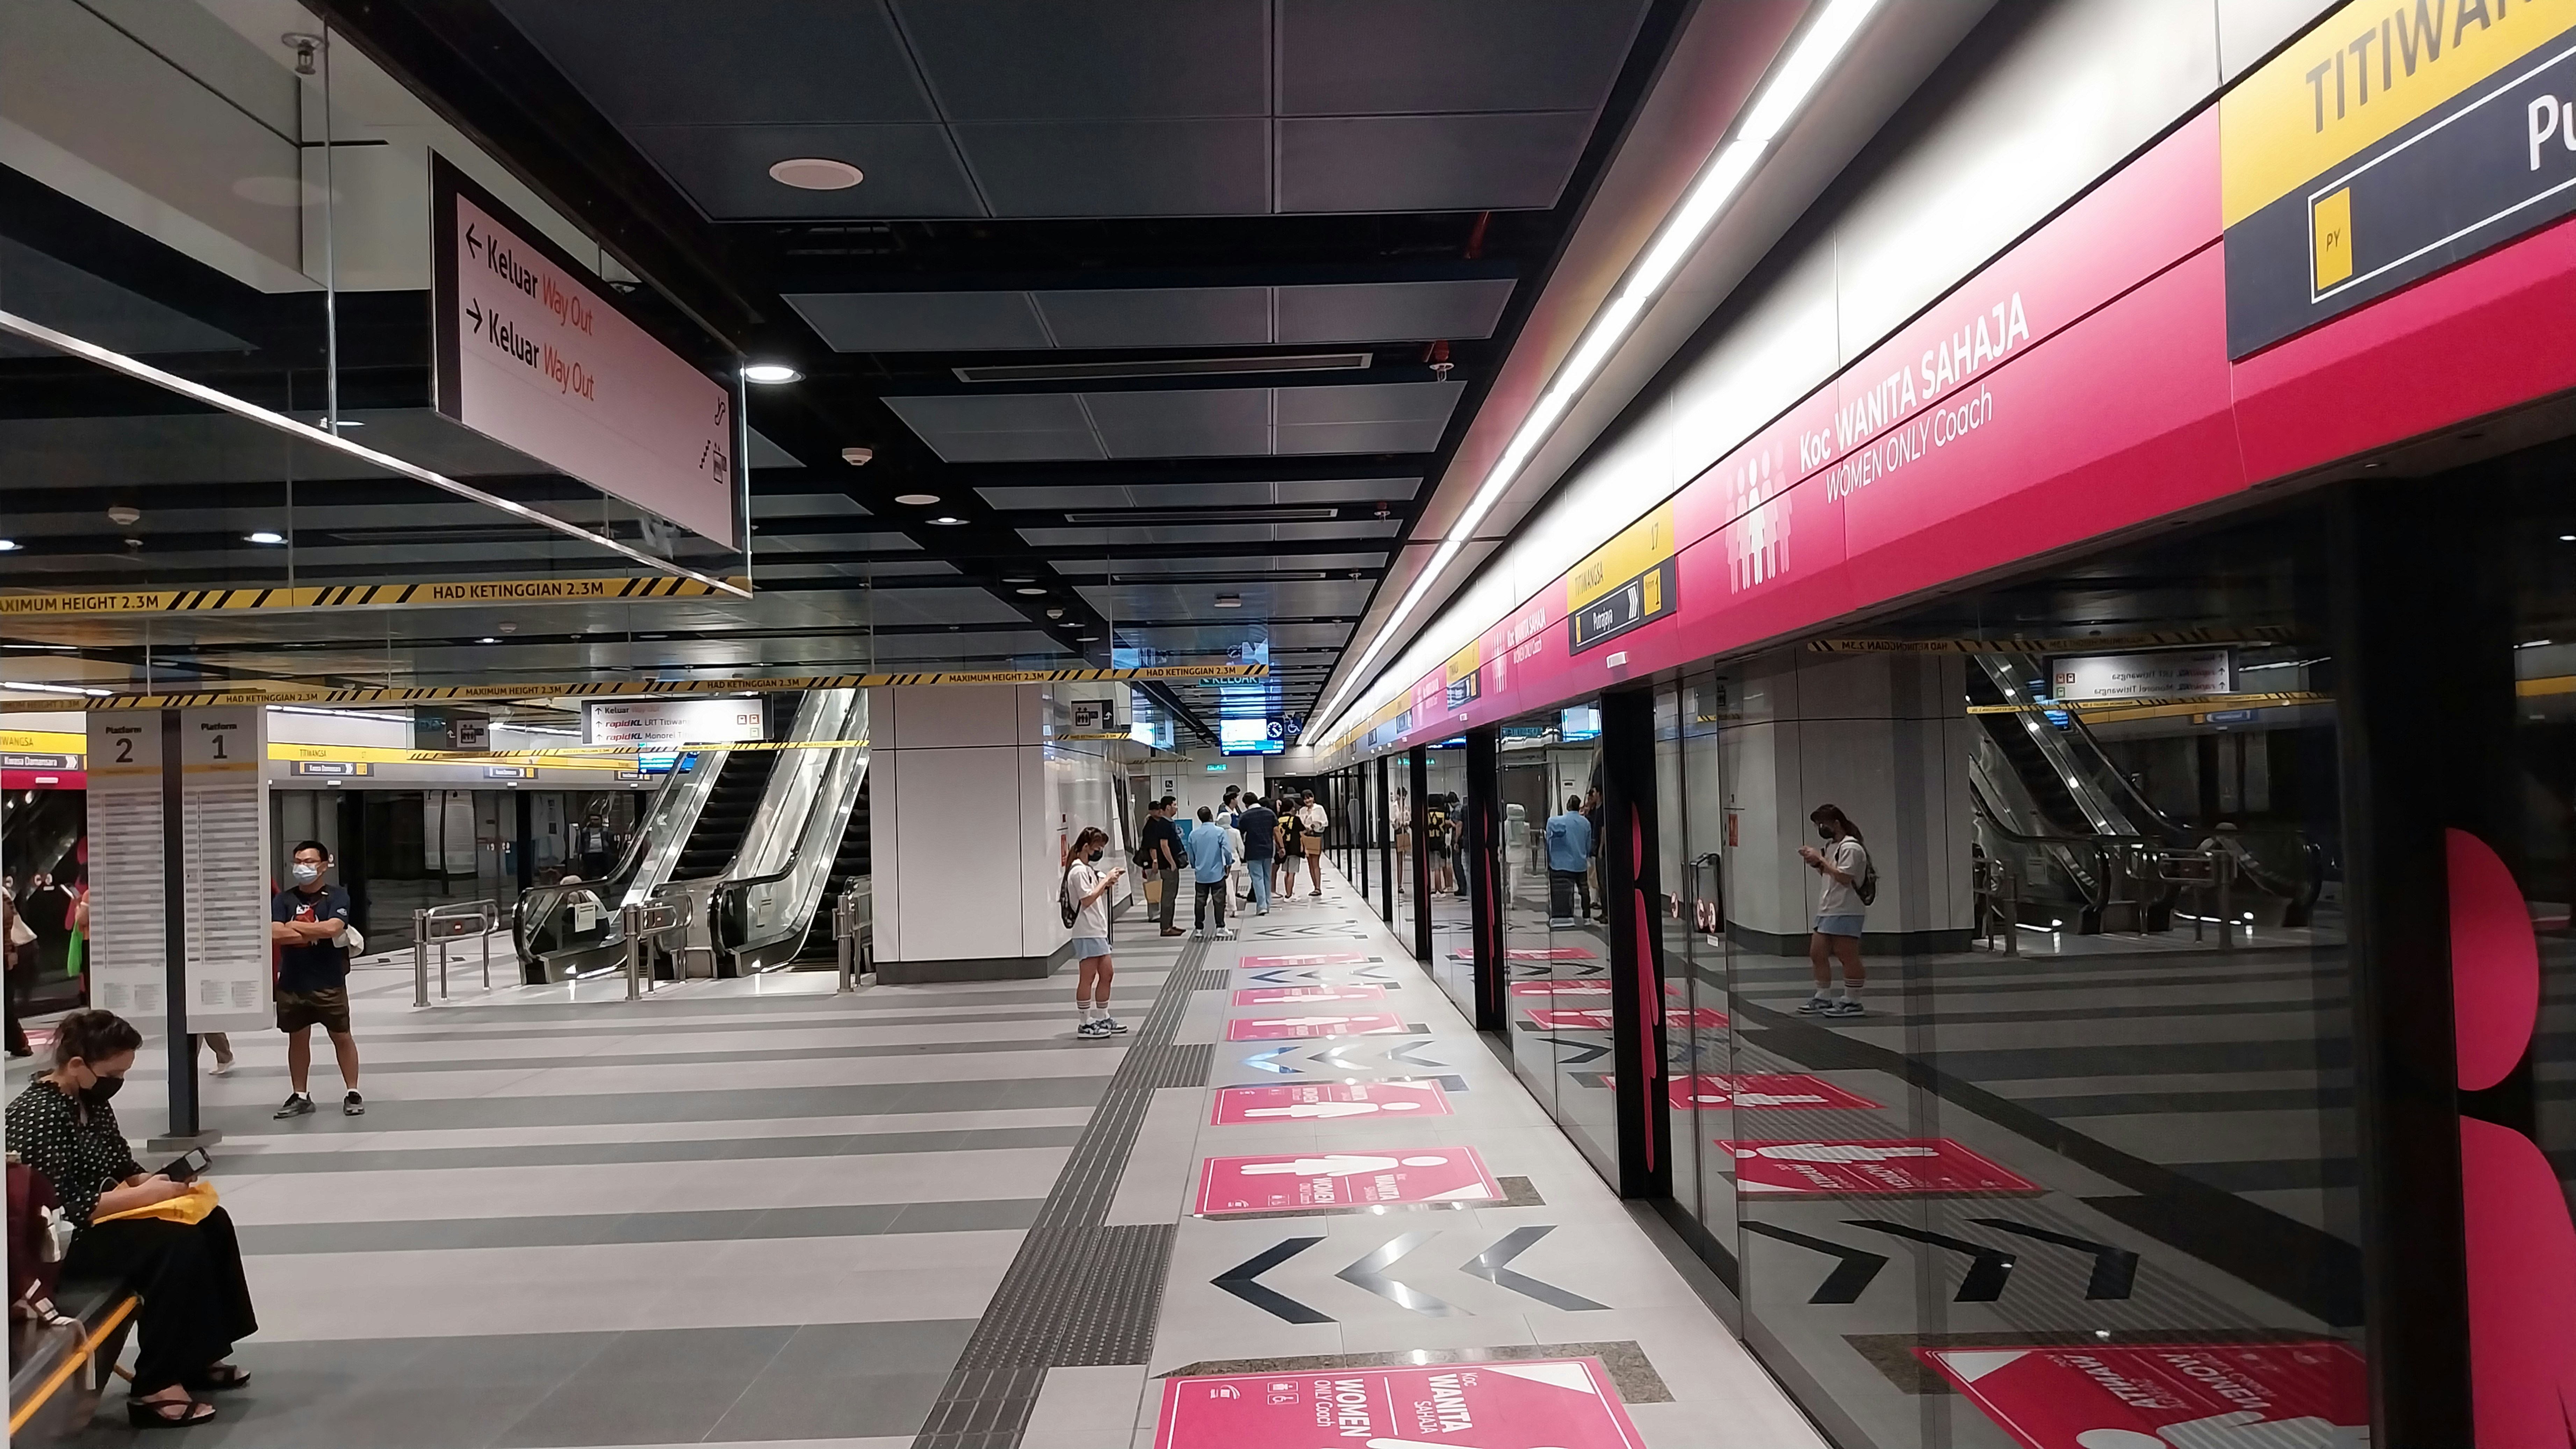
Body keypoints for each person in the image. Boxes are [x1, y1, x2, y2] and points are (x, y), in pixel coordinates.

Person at [7, 1010, 257, 1426]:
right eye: (114, 1072)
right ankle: (154, 1385)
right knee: (173, 1245)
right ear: (76, 1065)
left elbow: (122, 1165)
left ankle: (197, 1354)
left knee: (210, 1220)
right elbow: (58, 1207)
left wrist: (159, 1182)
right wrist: (143, 1196)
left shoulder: (90, 1101)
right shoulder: (38, 1115)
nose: (118, 1082)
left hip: (94, 1222)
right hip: (58, 1243)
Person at [269, 841, 362, 1117]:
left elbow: (334, 928)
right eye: (298, 861)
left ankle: (353, 1091)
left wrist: (295, 926)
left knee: (342, 1036)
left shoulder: (338, 896)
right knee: (297, 1039)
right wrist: (314, 931)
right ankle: (301, 1095)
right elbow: (275, 933)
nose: (302, 867)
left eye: (309, 861)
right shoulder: (283, 900)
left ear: (324, 864)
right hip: (293, 982)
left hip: (329, 981)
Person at [1797, 804, 1869, 1017]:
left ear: (1836, 823)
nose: (1821, 828)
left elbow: (1845, 877)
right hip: (1828, 908)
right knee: (1817, 953)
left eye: (1823, 824)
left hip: (1846, 909)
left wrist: (1820, 860)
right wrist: (1817, 864)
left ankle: (1853, 1000)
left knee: (1847, 955)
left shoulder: (1852, 848)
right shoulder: (1832, 847)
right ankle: (1823, 996)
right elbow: (1830, 875)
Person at [1061, 827, 1127, 1038]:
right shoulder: (1078, 871)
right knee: (1088, 977)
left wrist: (1106, 882)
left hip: (1098, 929)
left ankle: (1102, 1016)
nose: (1099, 852)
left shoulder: (1087, 869)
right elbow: (1087, 900)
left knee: (1107, 974)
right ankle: (1085, 1022)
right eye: (1097, 848)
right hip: (1087, 931)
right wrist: (1106, 881)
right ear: (1086, 847)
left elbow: (1094, 893)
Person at [1187, 806, 1236, 939]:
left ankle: (1199, 928)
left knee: (1200, 901)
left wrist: (1195, 866)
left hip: (1201, 875)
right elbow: (1226, 851)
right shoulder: (1220, 832)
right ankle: (1220, 927)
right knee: (1219, 901)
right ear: (1212, 817)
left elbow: (1191, 855)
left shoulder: (1193, 834)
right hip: (1217, 873)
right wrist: (1228, 864)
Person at [1545, 795, 1594, 926]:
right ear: (1579, 807)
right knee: (1584, 890)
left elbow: (1550, 842)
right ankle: (1587, 917)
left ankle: (1567, 916)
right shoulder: (1586, 823)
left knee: (1567, 891)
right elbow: (1588, 845)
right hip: (1580, 863)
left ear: (1568, 806)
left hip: (1563, 865)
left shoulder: (1557, 821)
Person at [1139, 798, 1183, 938]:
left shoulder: (1166, 823)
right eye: (1175, 805)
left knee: (1172, 895)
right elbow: (1164, 845)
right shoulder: (1163, 824)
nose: (1177, 807)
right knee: (1168, 896)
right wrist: (1171, 862)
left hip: (1169, 864)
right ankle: (1166, 927)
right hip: (1167, 866)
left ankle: (1169, 924)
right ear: (1169, 807)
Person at [1238, 794, 1280, 914]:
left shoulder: (1245, 816)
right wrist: (1281, 847)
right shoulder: (1269, 813)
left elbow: (1240, 834)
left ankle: (1262, 906)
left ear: (1246, 804)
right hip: (1268, 849)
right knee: (1267, 876)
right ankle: (1268, 903)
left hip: (1253, 851)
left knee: (1257, 878)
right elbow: (1276, 831)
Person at [1297, 791, 1330, 897]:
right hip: (1305, 836)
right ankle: (1315, 887)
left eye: (1309, 798)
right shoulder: (1302, 811)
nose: (1308, 801)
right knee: (1310, 863)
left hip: (1316, 836)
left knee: (1315, 862)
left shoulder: (1319, 808)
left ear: (1313, 798)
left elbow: (1325, 822)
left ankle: (1318, 888)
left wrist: (1314, 826)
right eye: (1305, 799)